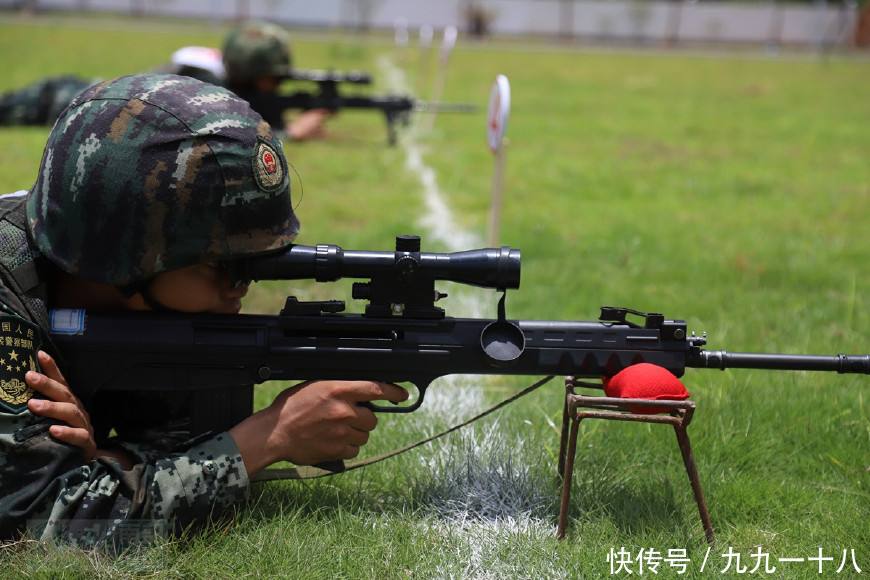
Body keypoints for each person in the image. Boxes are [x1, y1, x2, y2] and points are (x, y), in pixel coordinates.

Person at [0, 73, 406, 549]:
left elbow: (166, 447)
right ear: (126, 258)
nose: (242, 285)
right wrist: (267, 440)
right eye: (221, 264)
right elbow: (42, 525)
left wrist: (108, 462)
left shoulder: (154, 319)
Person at [0, 21, 328, 141]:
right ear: (251, 74)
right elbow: (226, 132)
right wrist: (293, 133)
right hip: (72, 100)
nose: (277, 86)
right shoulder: (206, 85)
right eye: (272, 78)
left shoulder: (221, 72)